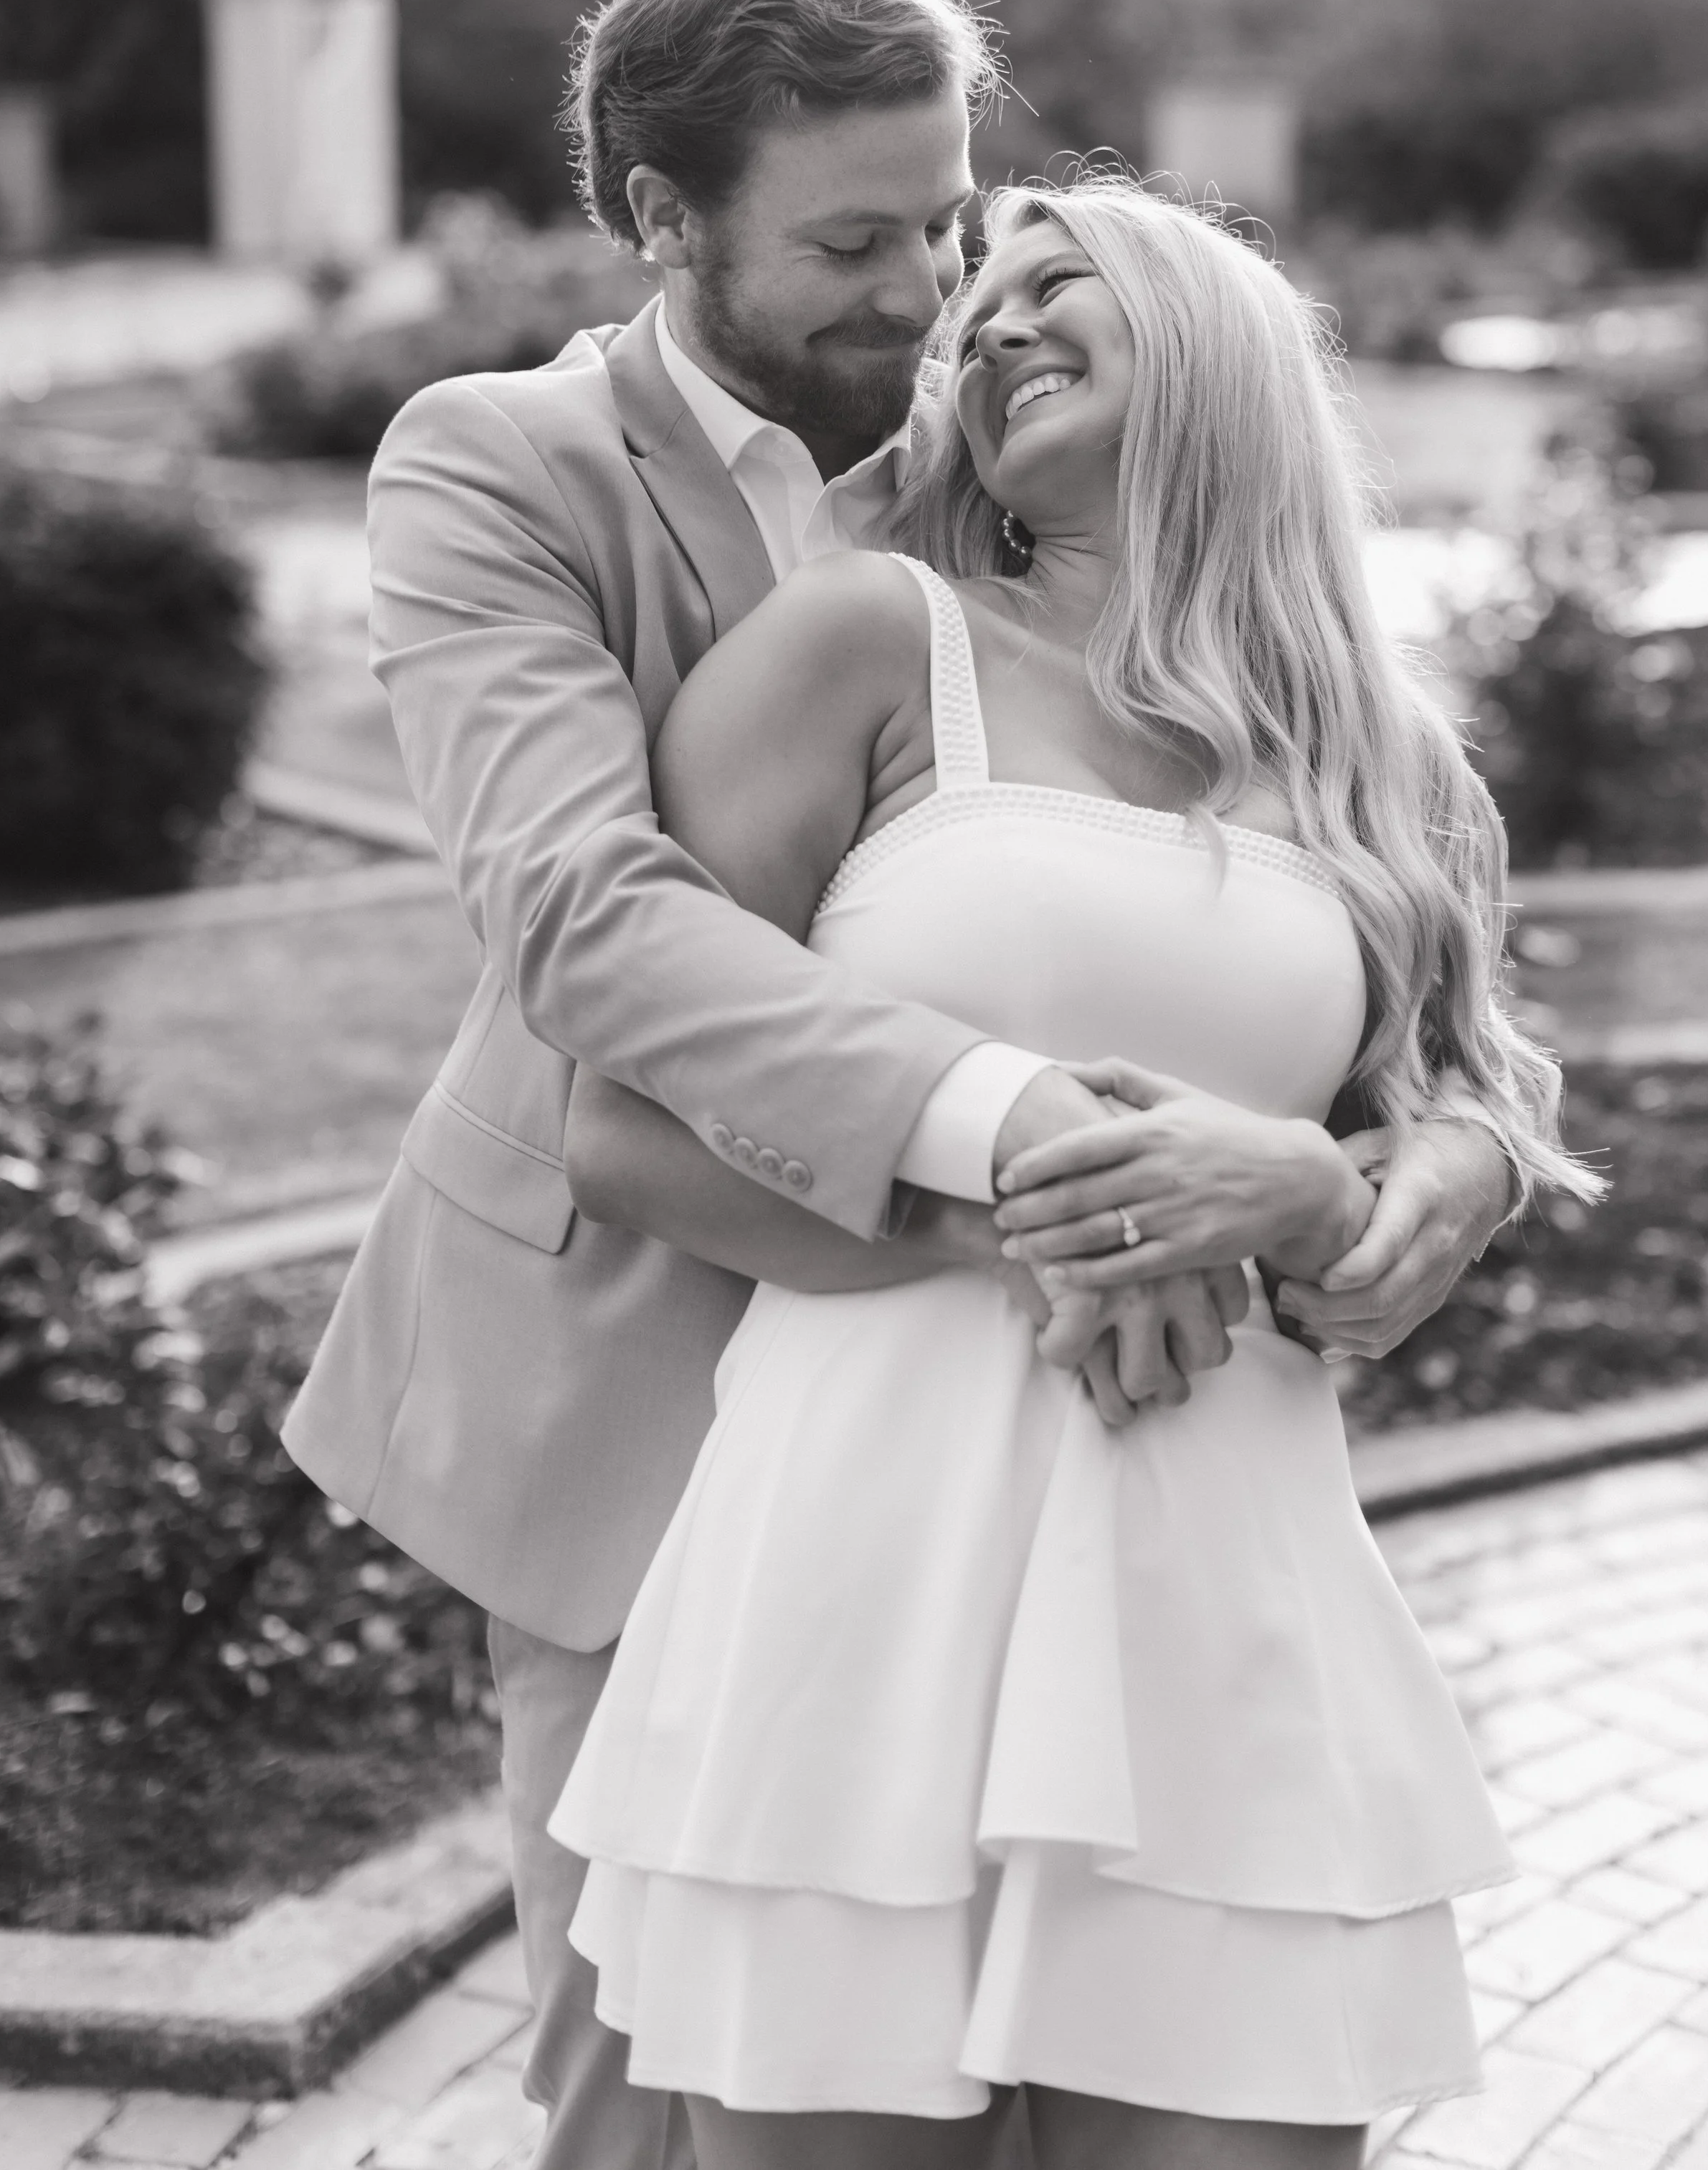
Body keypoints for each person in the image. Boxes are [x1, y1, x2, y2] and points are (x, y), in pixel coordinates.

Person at [283, 0, 1518, 2170]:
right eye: (857, 239)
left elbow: (1419, 1021)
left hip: (1150, 1483)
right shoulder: (504, 466)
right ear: (664, 219)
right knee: (640, 2110)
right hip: (648, 1396)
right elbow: (585, 912)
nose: (933, 285)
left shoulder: (1020, 504)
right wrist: (1045, 1158)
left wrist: (1370, 1181)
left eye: (952, 218)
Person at [546, 176, 1601, 2168]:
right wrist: (1032, 1212)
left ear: (1210, 348)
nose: (991, 323)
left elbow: (1452, 1119)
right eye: (977, 308)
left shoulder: (1384, 760)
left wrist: (1338, 1182)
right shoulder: (868, 642)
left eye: (1057, 286)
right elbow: (621, 1123)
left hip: (1224, 1586)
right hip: (859, 1567)